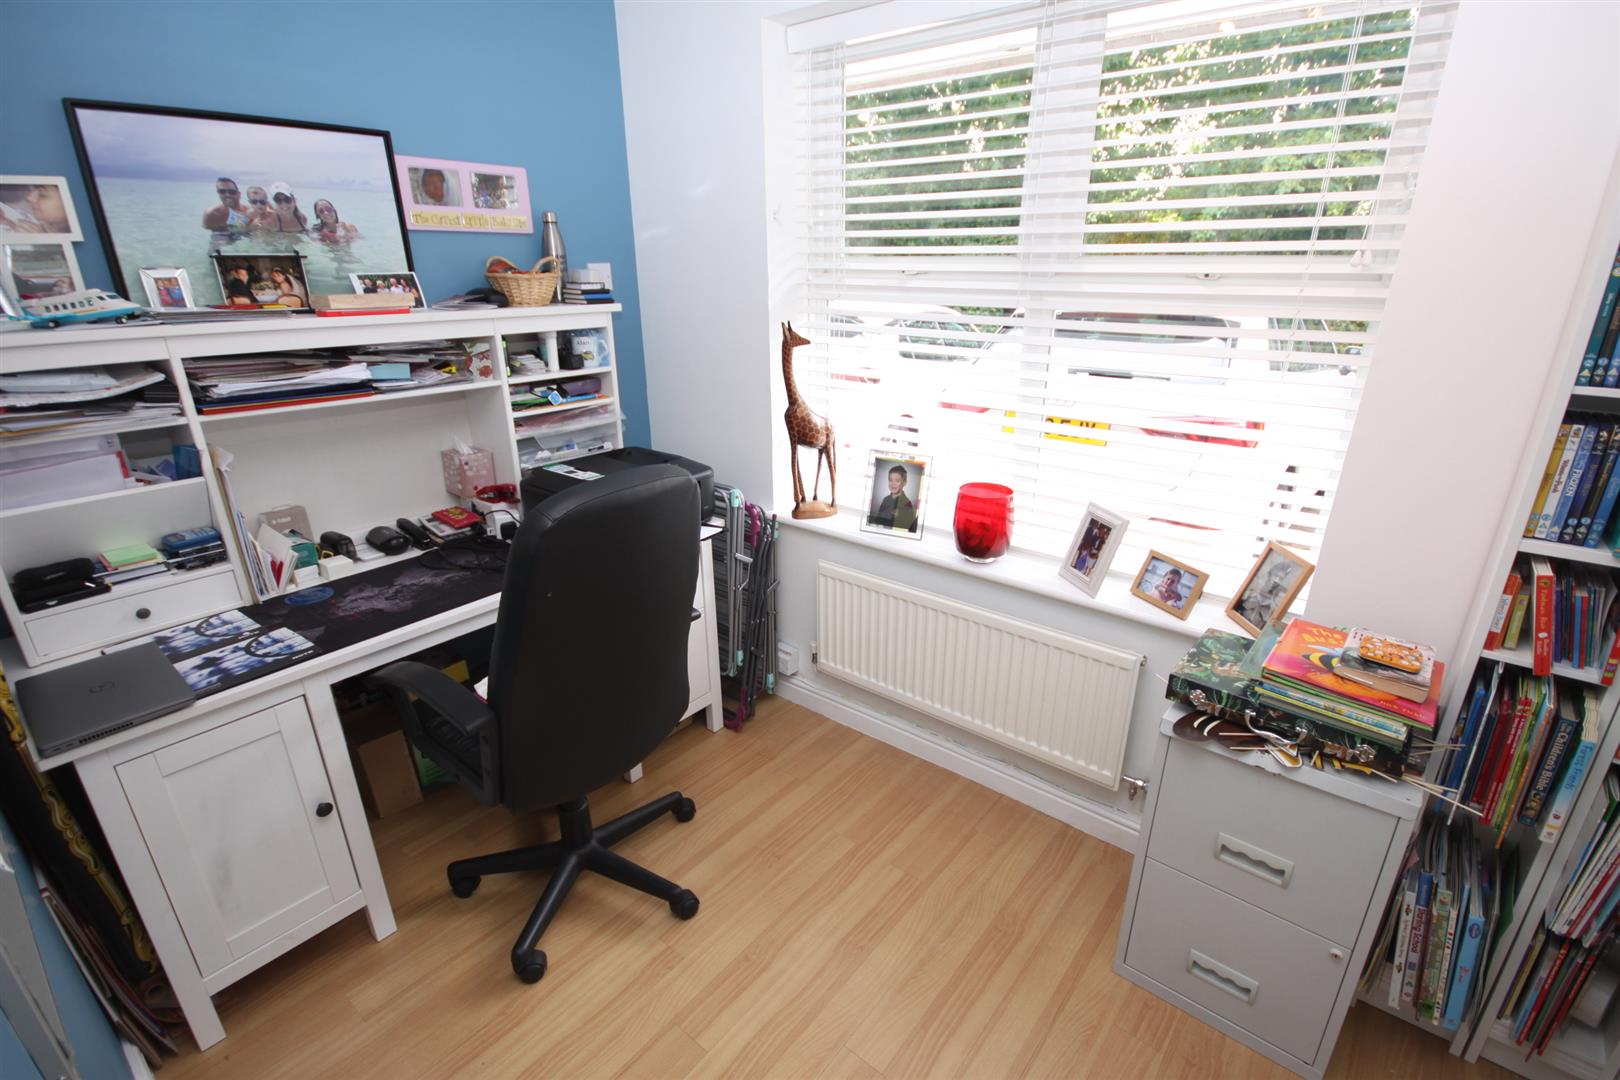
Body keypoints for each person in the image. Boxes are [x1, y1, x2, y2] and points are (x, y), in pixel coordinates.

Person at [870, 464, 917, 532]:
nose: (893, 483)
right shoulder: (885, 500)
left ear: (904, 483)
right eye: (890, 480)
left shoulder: (907, 504)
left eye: (897, 481)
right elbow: (877, 520)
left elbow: (908, 528)